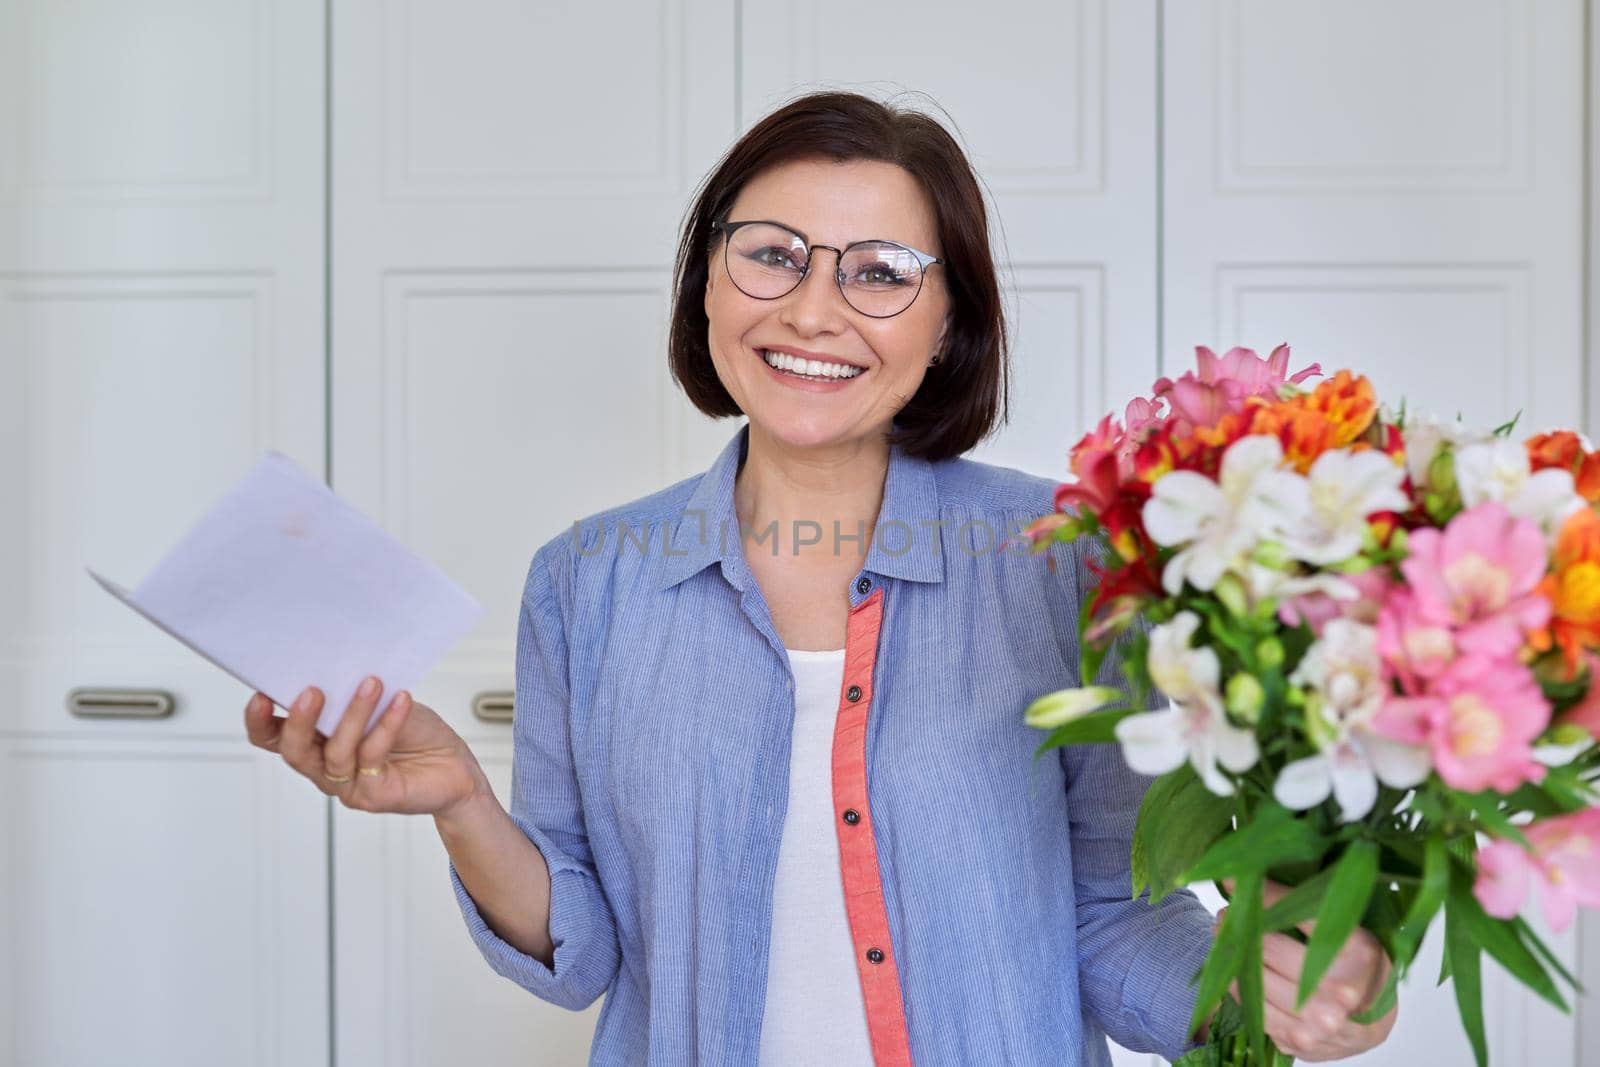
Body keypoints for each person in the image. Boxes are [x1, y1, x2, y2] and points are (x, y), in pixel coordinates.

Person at [243, 91, 1397, 1065]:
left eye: (881, 271)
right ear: (707, 281)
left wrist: (1265, 993)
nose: (810, 308)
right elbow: (583, 951)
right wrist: (461, 804)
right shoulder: (586, 581)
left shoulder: (1067, 557)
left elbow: (1107, 916)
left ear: (948, 322)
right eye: (771, 254)